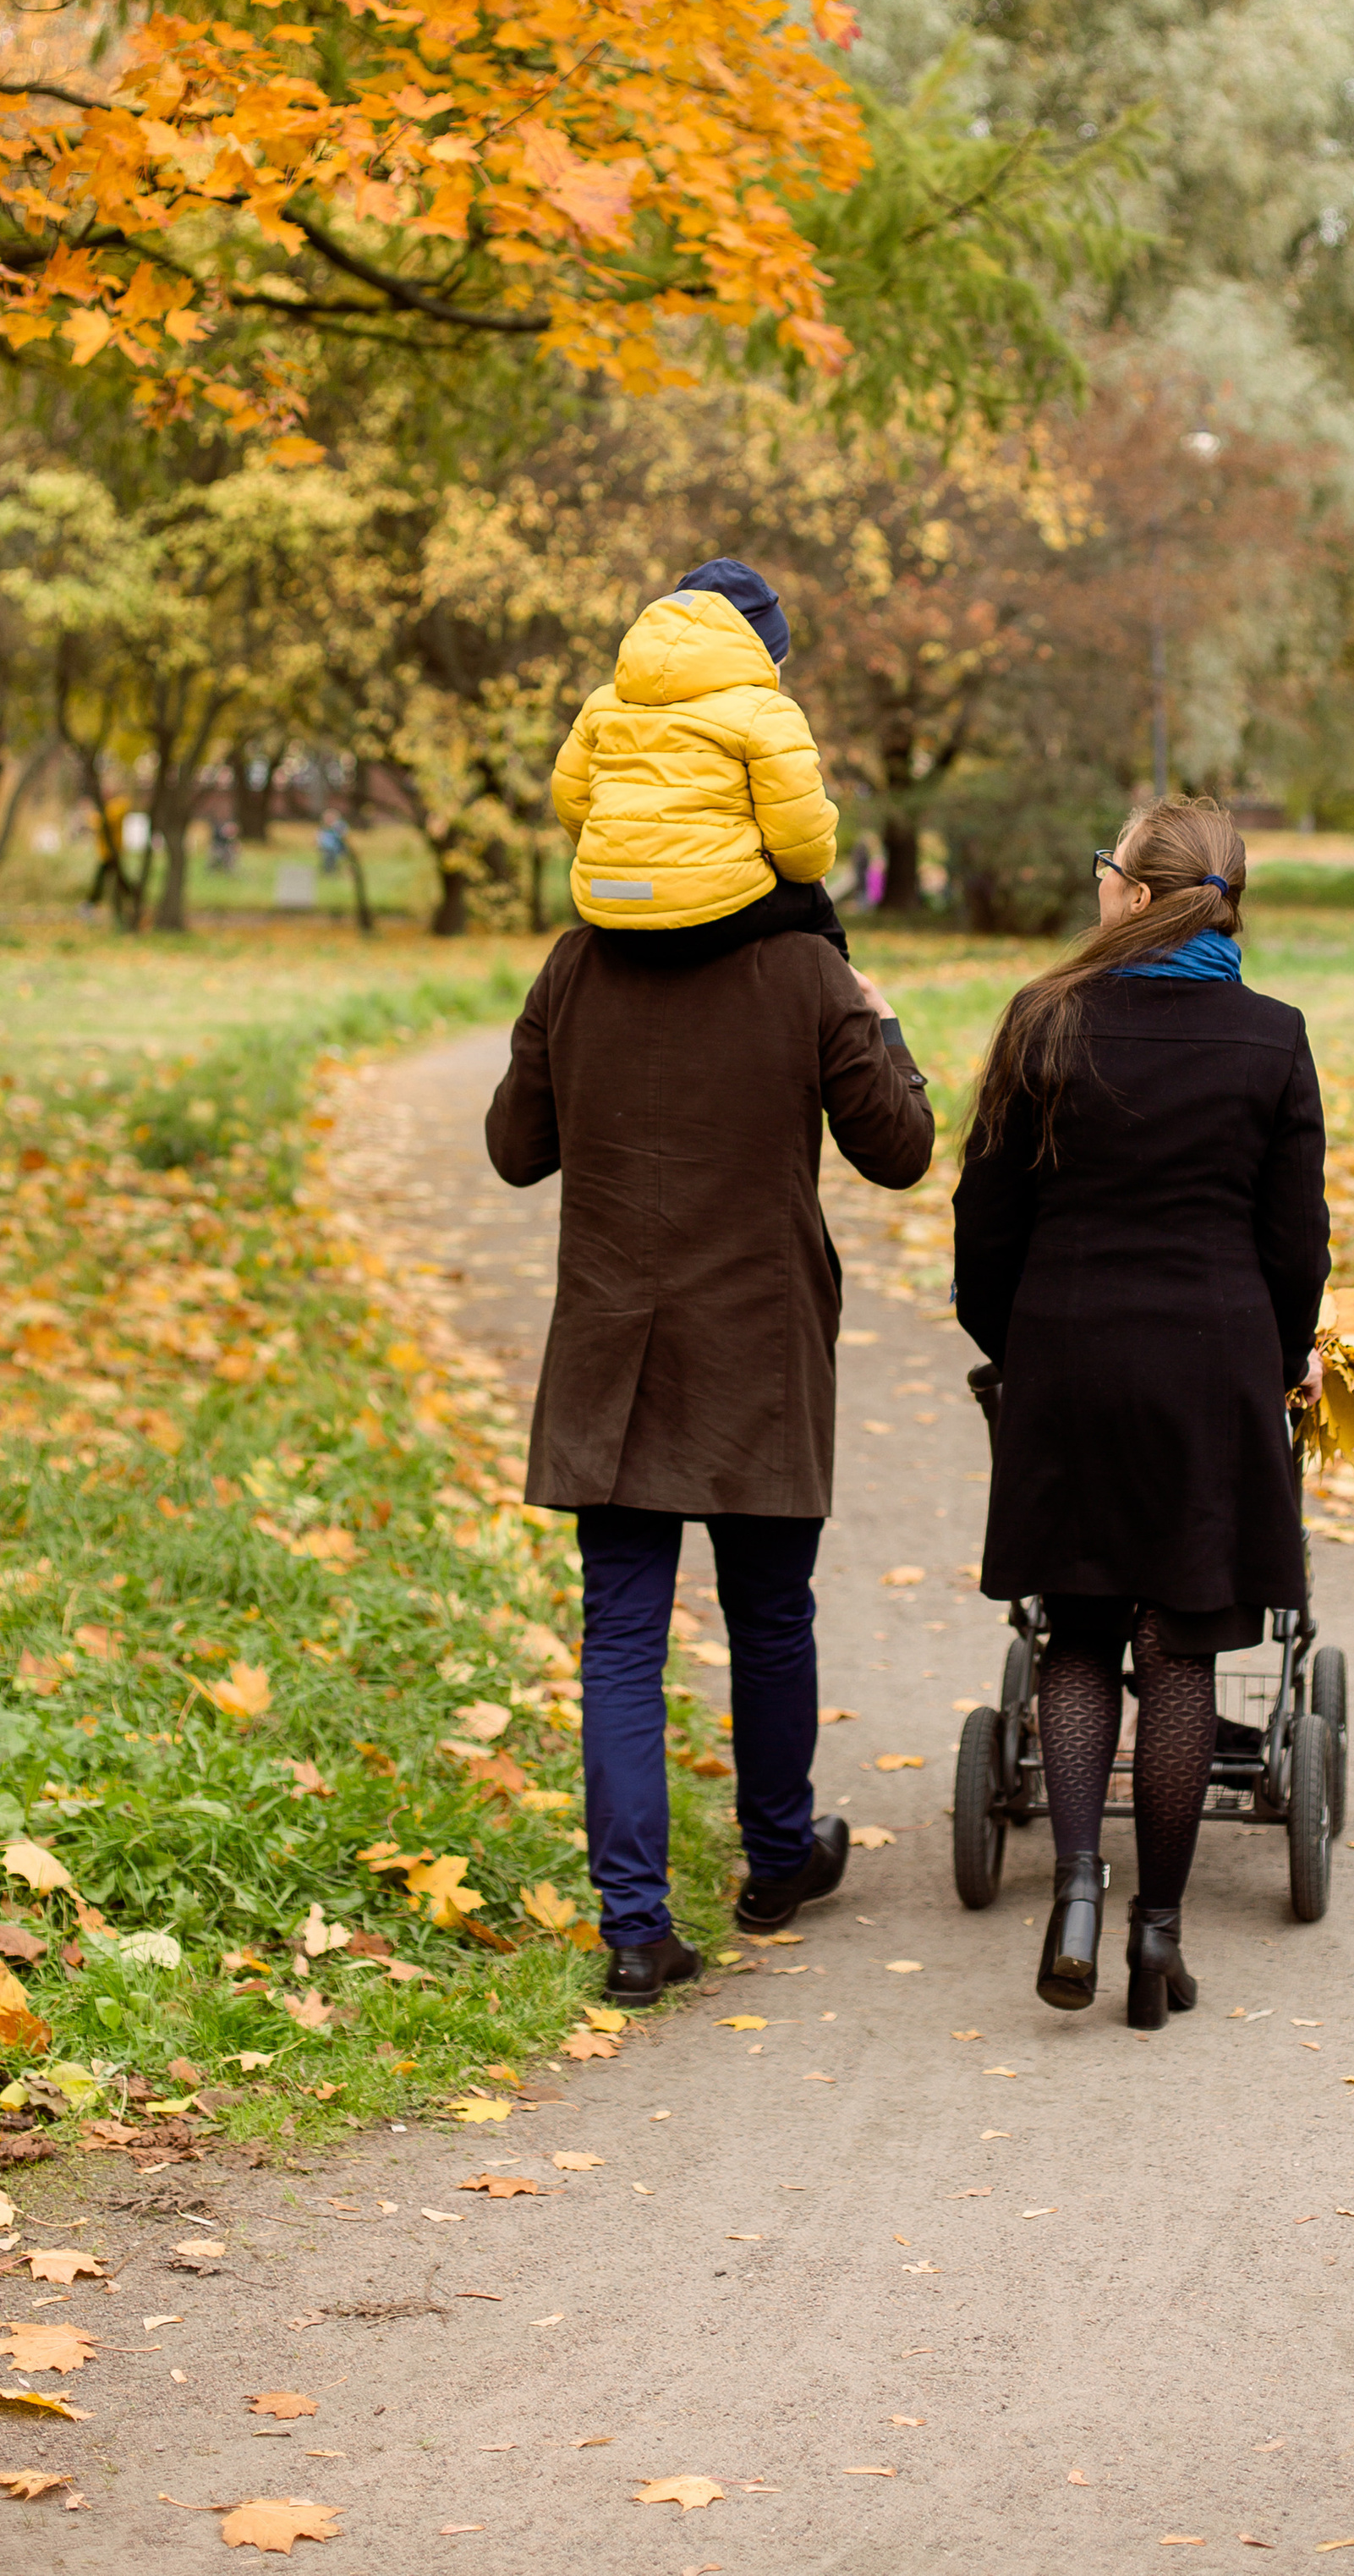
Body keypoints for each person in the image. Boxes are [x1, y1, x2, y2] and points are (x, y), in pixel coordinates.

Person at [485, 911, 935, 2004]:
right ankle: (778, 1863)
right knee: (770, 1614)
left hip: (613, 1354)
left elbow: (514, 1148)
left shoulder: (579, 961)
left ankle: (636, 1931)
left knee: (623, 1635)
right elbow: (901, 1149)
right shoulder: (805, 970)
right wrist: (879, 1022)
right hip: (758, 1349)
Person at [951, 795, 1329, 2029]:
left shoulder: (1042, 1021)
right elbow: (1293, 1248)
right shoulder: (1272, 1040)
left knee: (1077, 1637)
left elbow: (984, 1235)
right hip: (1211, 1377)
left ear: (1129, 894)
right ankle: (1156, 1940)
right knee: (1179, 1653)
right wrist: (1285, 1361)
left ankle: (1073, 1890)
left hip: (1067, 1362)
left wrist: (1027, 1351)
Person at [550, 557, 850, 969]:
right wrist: (804, 871)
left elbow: (570, 799)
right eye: (780, 660)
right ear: (757, 650)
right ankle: (845, 1007)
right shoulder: (765, 711)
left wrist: (621, 857)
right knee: (815, 902)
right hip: (711, 912)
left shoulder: (602, 705)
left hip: (608, 900)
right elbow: (800, 834)